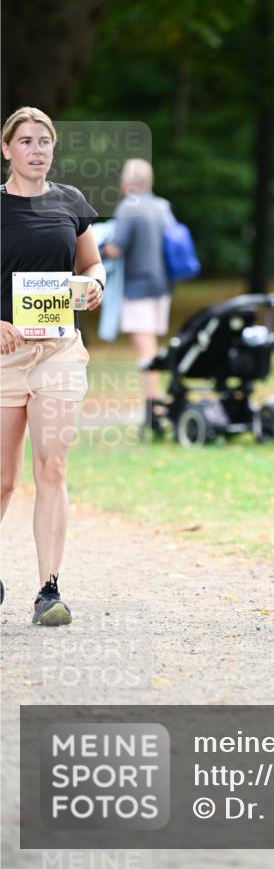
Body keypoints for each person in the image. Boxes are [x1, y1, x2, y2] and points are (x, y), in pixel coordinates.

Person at [0, 106, 104, 624]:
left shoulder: (71, 202)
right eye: (26, 141)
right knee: (2, 479)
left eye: (45, 141)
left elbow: (90, 263)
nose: (37, 149)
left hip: (60, 349)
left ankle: (48, 590)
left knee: (53, 466)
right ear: (6, 149)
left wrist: (97, 285)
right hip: (3, 358)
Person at [104, 159, 172, 437]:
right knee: (152, 346)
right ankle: (154, 405)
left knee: (146, 351)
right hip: (162, 287)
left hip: (137, 287)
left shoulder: (128, 207)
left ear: (129, 182)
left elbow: (116, 249)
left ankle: (153, 408)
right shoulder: (163, 207)